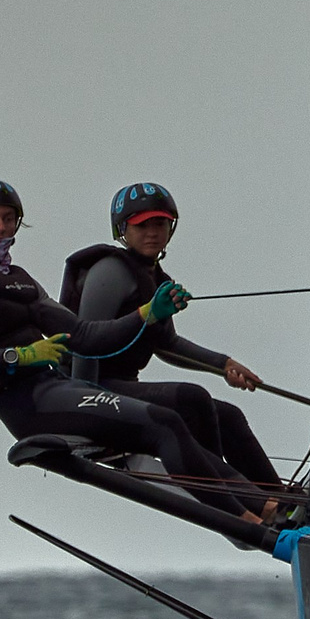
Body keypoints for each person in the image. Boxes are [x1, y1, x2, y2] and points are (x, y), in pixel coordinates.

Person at [0, 179, 273, 522]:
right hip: (25, 405)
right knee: (166, 421)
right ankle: (247, 519)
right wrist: (19, 356)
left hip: (56, 390)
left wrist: (146, 315)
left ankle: (266, 505)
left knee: (176, 420)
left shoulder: (21, 280)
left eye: (7, 218)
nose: (0, 227)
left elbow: (84, 336)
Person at [59, 183, 287, 510]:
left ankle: (280, 500)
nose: (152, 233)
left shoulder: (157, 279)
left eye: (160, 224)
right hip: (91, 389)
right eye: (142, 225)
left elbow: (166, 344)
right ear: (122, 230)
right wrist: (87, 408)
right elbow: (85, 341)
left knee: (229, 415)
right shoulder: (110, 270)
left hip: (121, 387)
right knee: (192, 399)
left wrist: (223, 364)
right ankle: (235, 499)